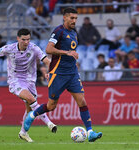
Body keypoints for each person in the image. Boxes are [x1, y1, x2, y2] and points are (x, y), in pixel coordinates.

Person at [24, 7, 102, 142]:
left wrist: (72, 59)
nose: (74, 21)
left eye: (76, 18)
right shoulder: (58, 31)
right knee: (51, 106)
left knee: (82, 101)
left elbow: (72, 52)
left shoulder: (74, 33)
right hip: (58, 73)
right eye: (72, 18)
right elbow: (48, 49)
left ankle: (90, 132)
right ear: (64, 17)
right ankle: (32, 115)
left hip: (72, 73)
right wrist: (67, 53)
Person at [0, 28, 57, 142]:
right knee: (30, 98)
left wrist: (50, 71)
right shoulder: (10, 48)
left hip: (30, 81)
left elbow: (46, 60)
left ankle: (23, 133)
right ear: (18, 39)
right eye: (24, 40)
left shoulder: (33, 48)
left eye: (28, 39)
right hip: (15, 81)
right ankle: (49, 123)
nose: (26, 42)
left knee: (29, 110)